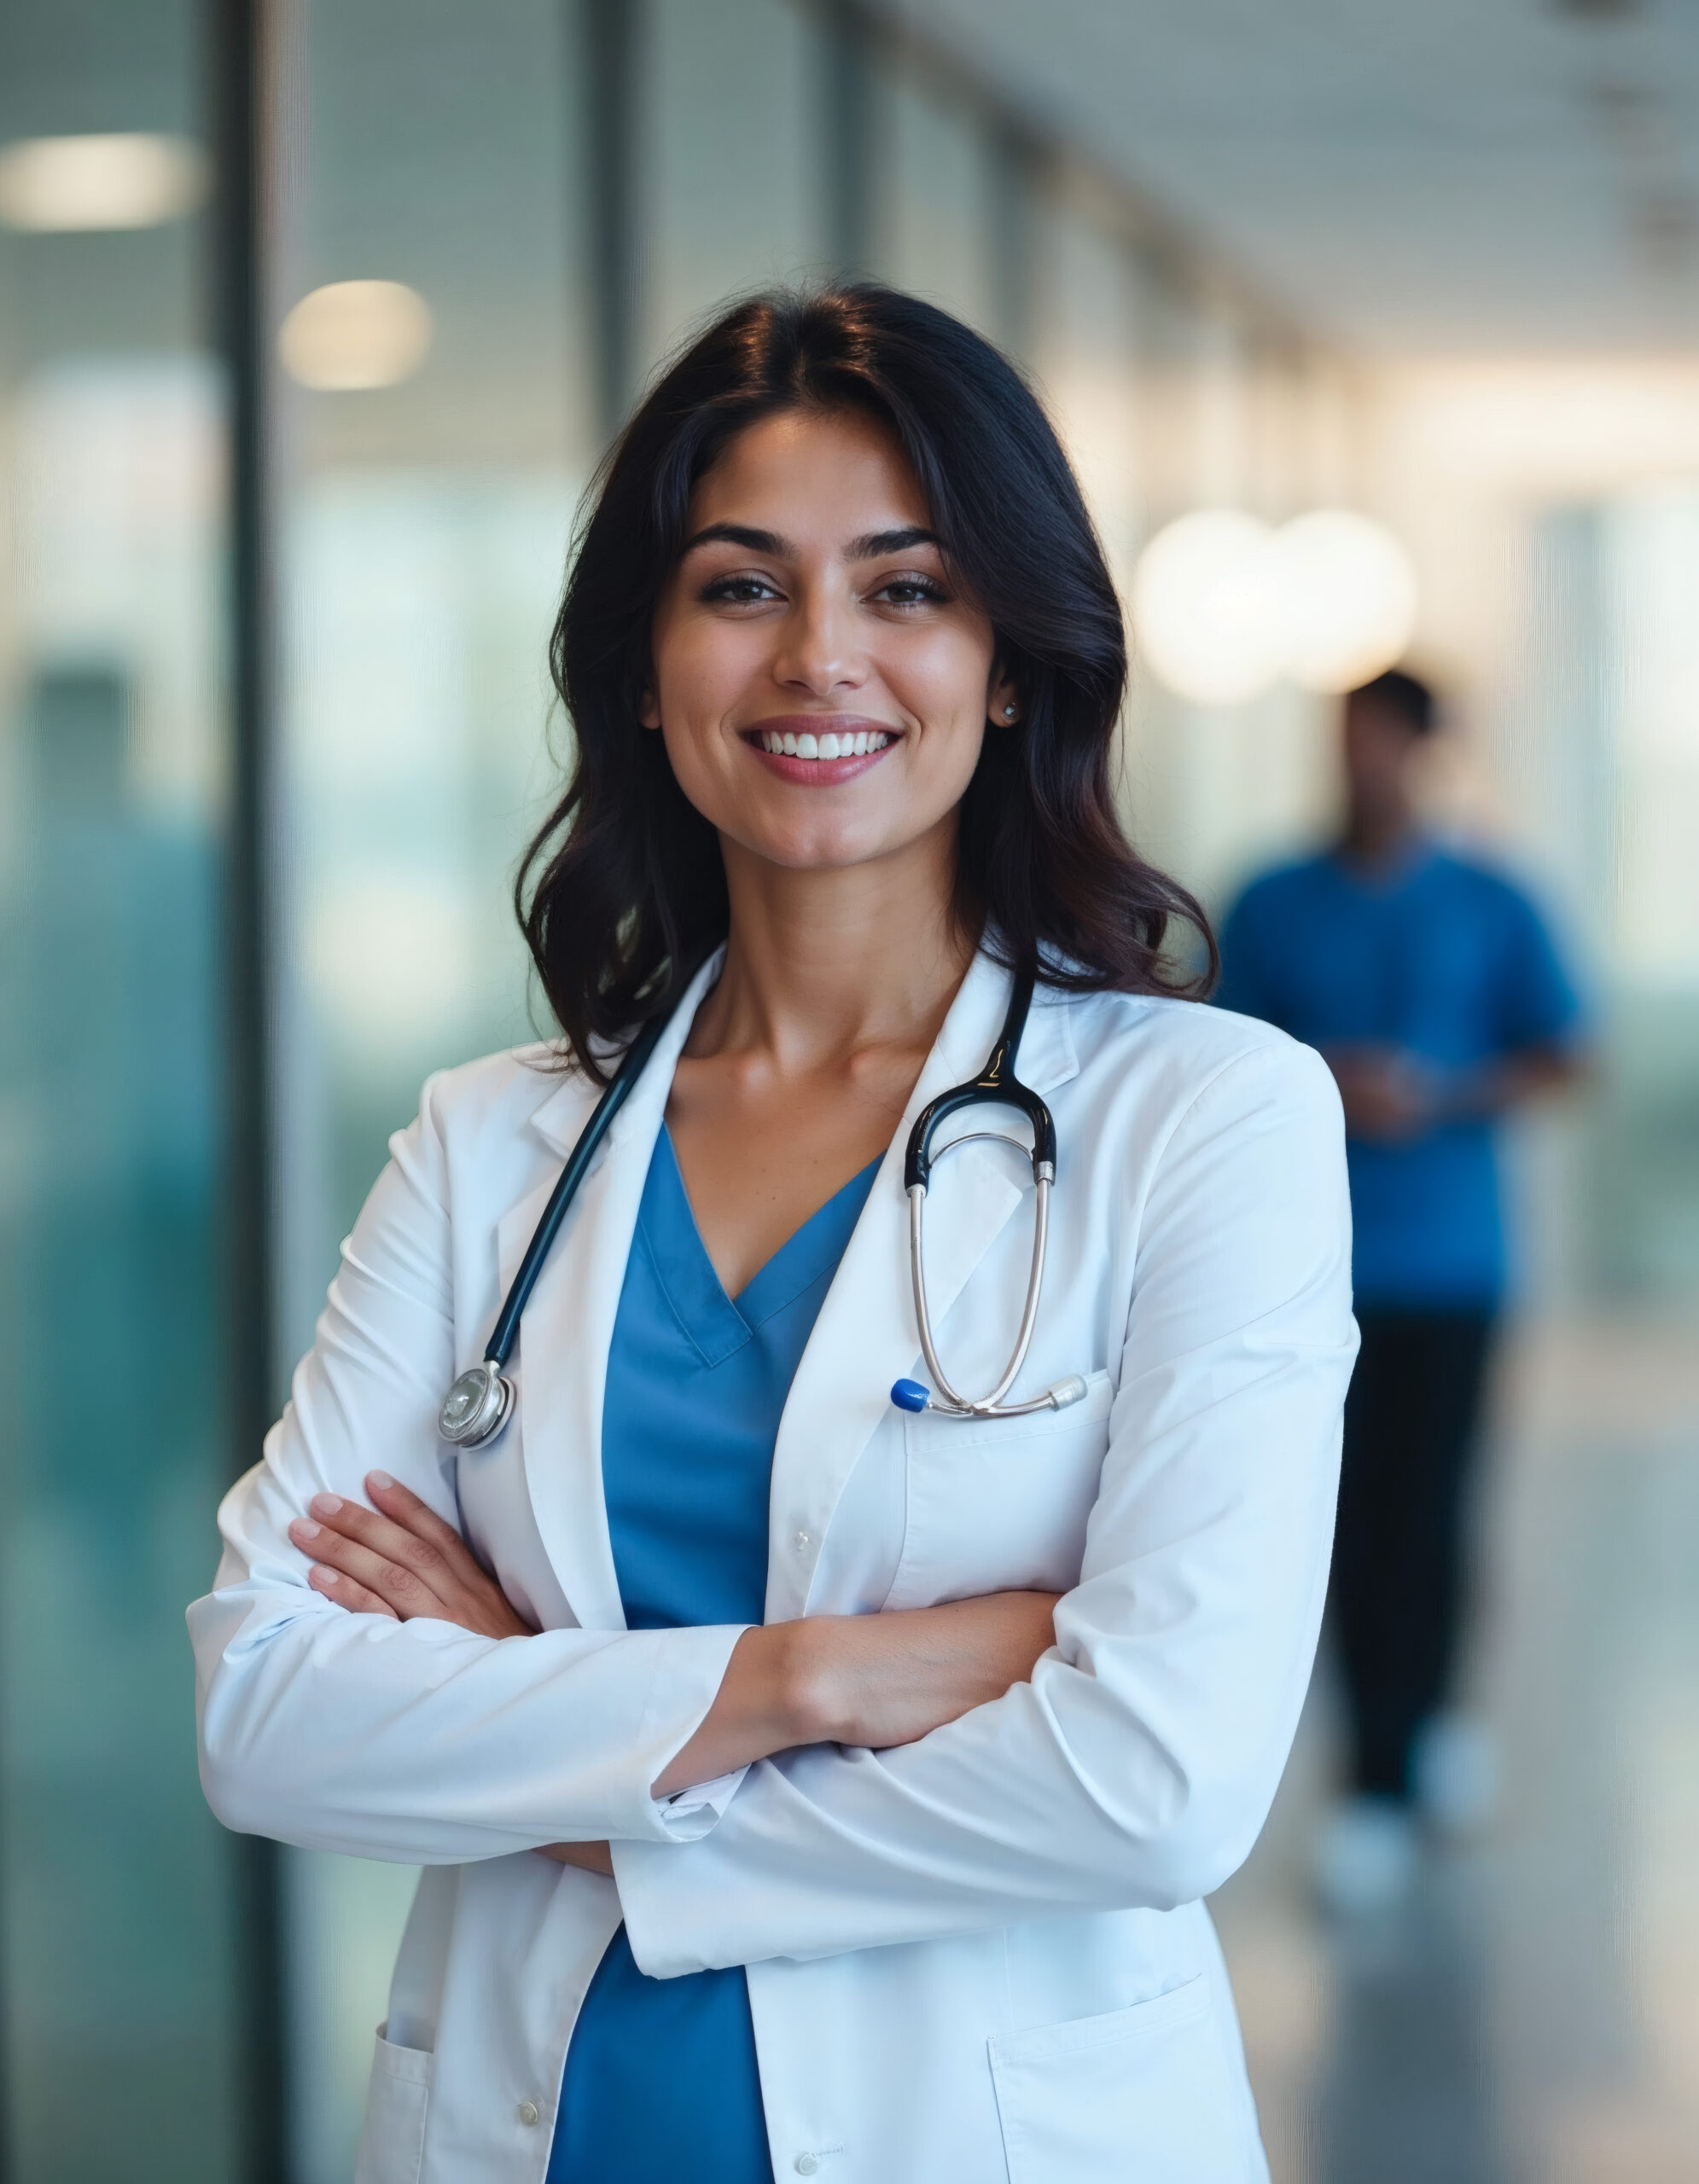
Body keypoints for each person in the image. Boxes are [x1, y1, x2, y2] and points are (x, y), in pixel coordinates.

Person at [189, 285, 1356, 2184]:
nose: (822, 657)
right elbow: (269, 1712)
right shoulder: (495, 1141)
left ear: (1009, 662)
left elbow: (1155, 1782)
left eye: (905, 588)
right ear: (645, 666)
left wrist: (555, 1758)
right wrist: (810, 1676)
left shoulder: (1206, 1116)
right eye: (742, 587)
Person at [1216, 667, 1585, 1912]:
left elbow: (1563, 1054)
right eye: (1345, 742)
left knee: (1430, 1510)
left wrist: (1442, 1095)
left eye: (1382, 744)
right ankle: (1378, 1757)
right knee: (1334, 1522)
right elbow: (1215, 1054)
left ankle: (1411, 1746)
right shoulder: (1272, 899)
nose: (1360, 764)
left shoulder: (1492, 898)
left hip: (1447, 1265)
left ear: (1426, 752)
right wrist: (1331, 1079)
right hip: (1304, 1272)